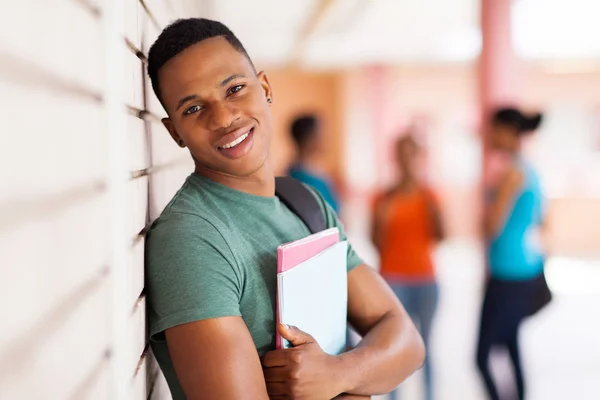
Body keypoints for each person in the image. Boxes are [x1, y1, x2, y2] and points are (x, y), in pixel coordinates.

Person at [144, 18, 425, 400]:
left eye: (235, 89)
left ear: (264, 88)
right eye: (194, 109)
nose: (224, 118)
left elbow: (407, 342)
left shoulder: (304, 203)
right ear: (175, 131)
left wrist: (337, 375)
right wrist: (361, 384)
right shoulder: (192, 239)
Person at [476, 107, 546, 400]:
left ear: (508, 132)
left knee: (481, 357)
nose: (488, 135)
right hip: (524, 269)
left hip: (508, 273)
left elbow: (490, 225)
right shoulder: (528, 169)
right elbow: (541, 221)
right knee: (511, 345)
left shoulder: (511, 173)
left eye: (493, 129)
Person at [371, 134, 444, 400]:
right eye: (400, 153)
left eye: (410, 153)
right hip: (393, 281)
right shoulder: (382, 197)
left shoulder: (430, 195)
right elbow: (376, 242)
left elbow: (442, 236)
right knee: (395, 349)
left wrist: (428, 201)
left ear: (418, 158)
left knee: (425, 348)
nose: (405, 160)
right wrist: (384, 214)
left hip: (426, 280)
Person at [289, 114, 341, 213]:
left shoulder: (317, 174)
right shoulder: (302, 180)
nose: (328, 138)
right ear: (310, 138)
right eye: (323, 133)